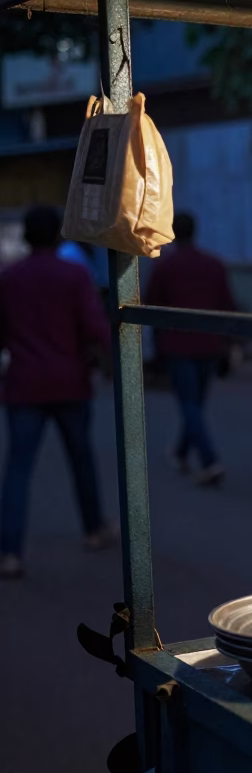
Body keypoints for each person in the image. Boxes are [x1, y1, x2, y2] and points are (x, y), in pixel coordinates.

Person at [0, 207, 113, 579]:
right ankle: (94, 530)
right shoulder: (74, 274)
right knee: (80, 459)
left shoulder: (10, 278)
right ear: (58, 236)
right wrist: (115, 363)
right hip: (70, 382)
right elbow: (95, 326)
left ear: (29, 238)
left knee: (18, 469)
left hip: (24, 383)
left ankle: (10, 553)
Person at [144, 212, 236, 486]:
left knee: (189, 404)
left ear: (172, 233)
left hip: (176, 346)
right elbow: (227, 304)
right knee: (195, 403)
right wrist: (229, 344)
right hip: (210, 344)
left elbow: (151, 306)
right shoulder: (213, 264)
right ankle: (181, 452)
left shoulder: (165, 267)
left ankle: (210, 461)